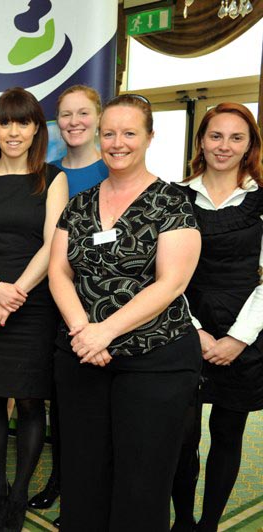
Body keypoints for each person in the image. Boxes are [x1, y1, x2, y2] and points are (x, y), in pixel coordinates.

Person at [48, 94, 202, 531]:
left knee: (142, 481)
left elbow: (171, 283)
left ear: (149, 137)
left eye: (129, 133)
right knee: (83, 474)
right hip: (83, 359)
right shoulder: (78, 204)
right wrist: (83, 331)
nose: (118, 143)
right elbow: (59, 272)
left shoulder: (172, 202)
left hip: (155, 361)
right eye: (109, 133)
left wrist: (106, 331)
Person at [0, 87, 67, 532]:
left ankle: (19, 493)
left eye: (23, 122)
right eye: (5, 122)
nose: (14, 131)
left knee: (29, 401)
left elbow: (52, 244)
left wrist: (16, 292)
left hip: (34, 302)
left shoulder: (52, 178)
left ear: (37, 129)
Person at [170, 103, 263, 532]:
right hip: (183, 328)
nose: (224, 146)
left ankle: (208, 525)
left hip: (245, 334)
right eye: (216, 135)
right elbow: (164, 275)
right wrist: (196, 332)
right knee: (182, 438)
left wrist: (238, 339)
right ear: (202, 141)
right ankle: (183, 522)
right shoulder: (175, 196)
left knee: (227, 434)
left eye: (236, 137)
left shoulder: (260, 199)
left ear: (249, 146)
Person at [28, 84, 108, 524]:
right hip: (51, 303)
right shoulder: (46, 173)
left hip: (102, 309)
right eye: (66, 114)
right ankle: (59, 480)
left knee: (96, 410)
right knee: (60, 405)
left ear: (98, 118)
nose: (74, 122)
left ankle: (87, 492)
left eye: (83, 113)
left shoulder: (113, 168)